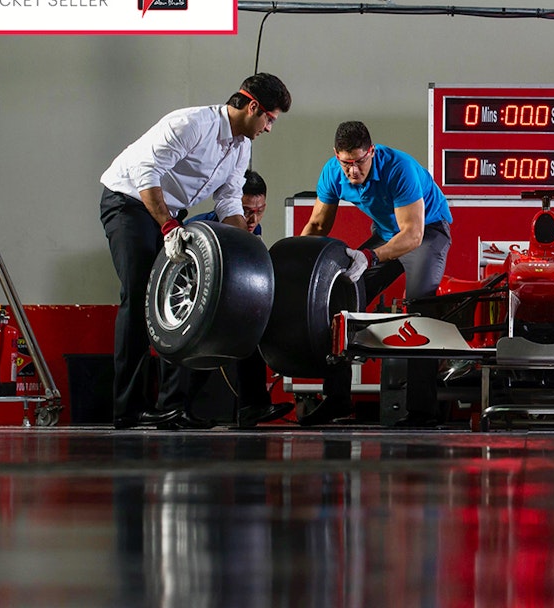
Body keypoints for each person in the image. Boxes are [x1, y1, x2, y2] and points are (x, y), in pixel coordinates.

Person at [99, 73, 291, 429]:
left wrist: (249, 249)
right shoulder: (190, 123)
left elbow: (229, 199)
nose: (269, 128)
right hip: (129, 203)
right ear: (253, 107)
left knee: (180, 305)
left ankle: (173, 408)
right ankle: (127, 409)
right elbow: (146, 172)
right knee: (140, 297)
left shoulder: (241, 145)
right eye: (270, 119)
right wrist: (169, 227)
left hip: (168, 212)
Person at [300, 121, 453, 428]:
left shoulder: (400, 168)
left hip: (427, 233)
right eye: (346, 163)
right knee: (339, 302)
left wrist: (370, 257)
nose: (353, 172)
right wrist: (300, 266)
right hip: (385, 234)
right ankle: (337, 400)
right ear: (336, 156)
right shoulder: (333, 172)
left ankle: (423, 412)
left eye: (359, 162)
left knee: (420, 309)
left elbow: (412, 235)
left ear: (371, 151)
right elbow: (317, 227)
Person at [185, 168, 295, 428]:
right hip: (195, 309)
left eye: (259, 210)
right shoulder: (201, 228)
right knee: (200, 349)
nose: (252, 218)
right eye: (246, 210)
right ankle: (182, 409)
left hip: (228, 307)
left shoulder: (253, 231)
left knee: (251, 334)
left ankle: (252, 406)